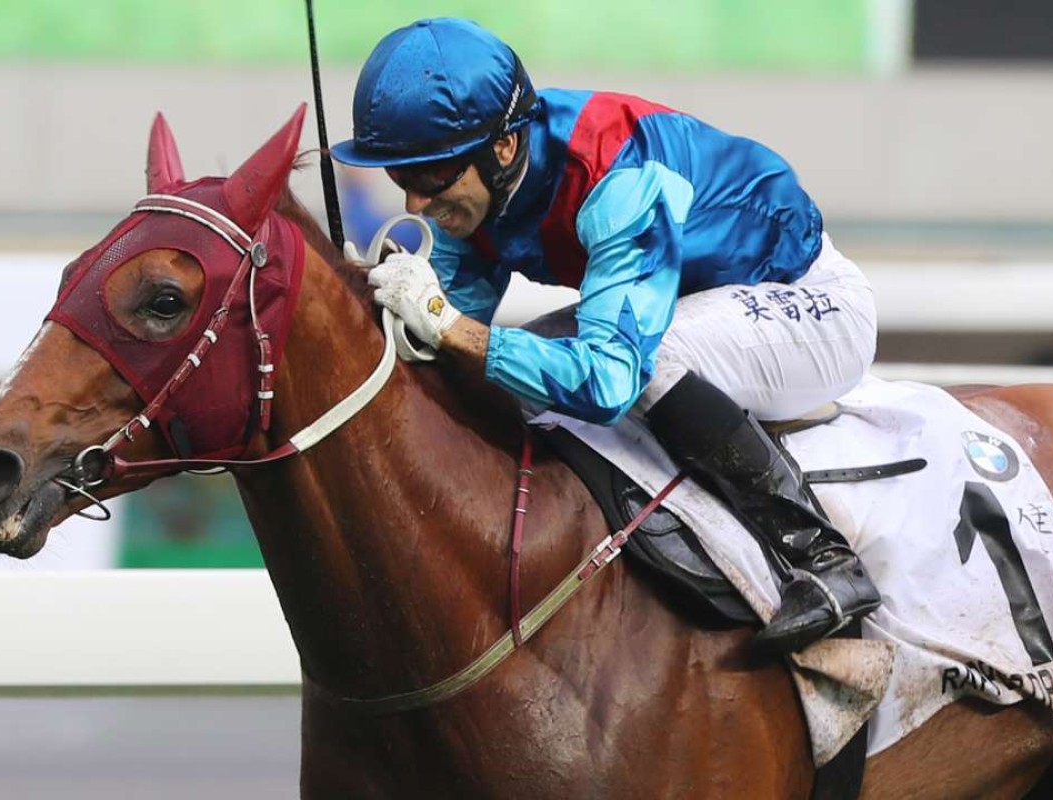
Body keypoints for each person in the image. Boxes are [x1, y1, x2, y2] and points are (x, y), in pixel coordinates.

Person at [331, 18, 879, 653]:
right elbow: (433, 345)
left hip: (810, 304)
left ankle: (823, 557)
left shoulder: (619, 178)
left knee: (646, 361)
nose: (417, 206)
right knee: (522, 370)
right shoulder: (482, 178)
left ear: (502, 150)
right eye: (402, 180)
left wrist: (451, 327)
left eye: (429, 179)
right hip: (697, 302)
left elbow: (608, 380)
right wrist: (367, 305)